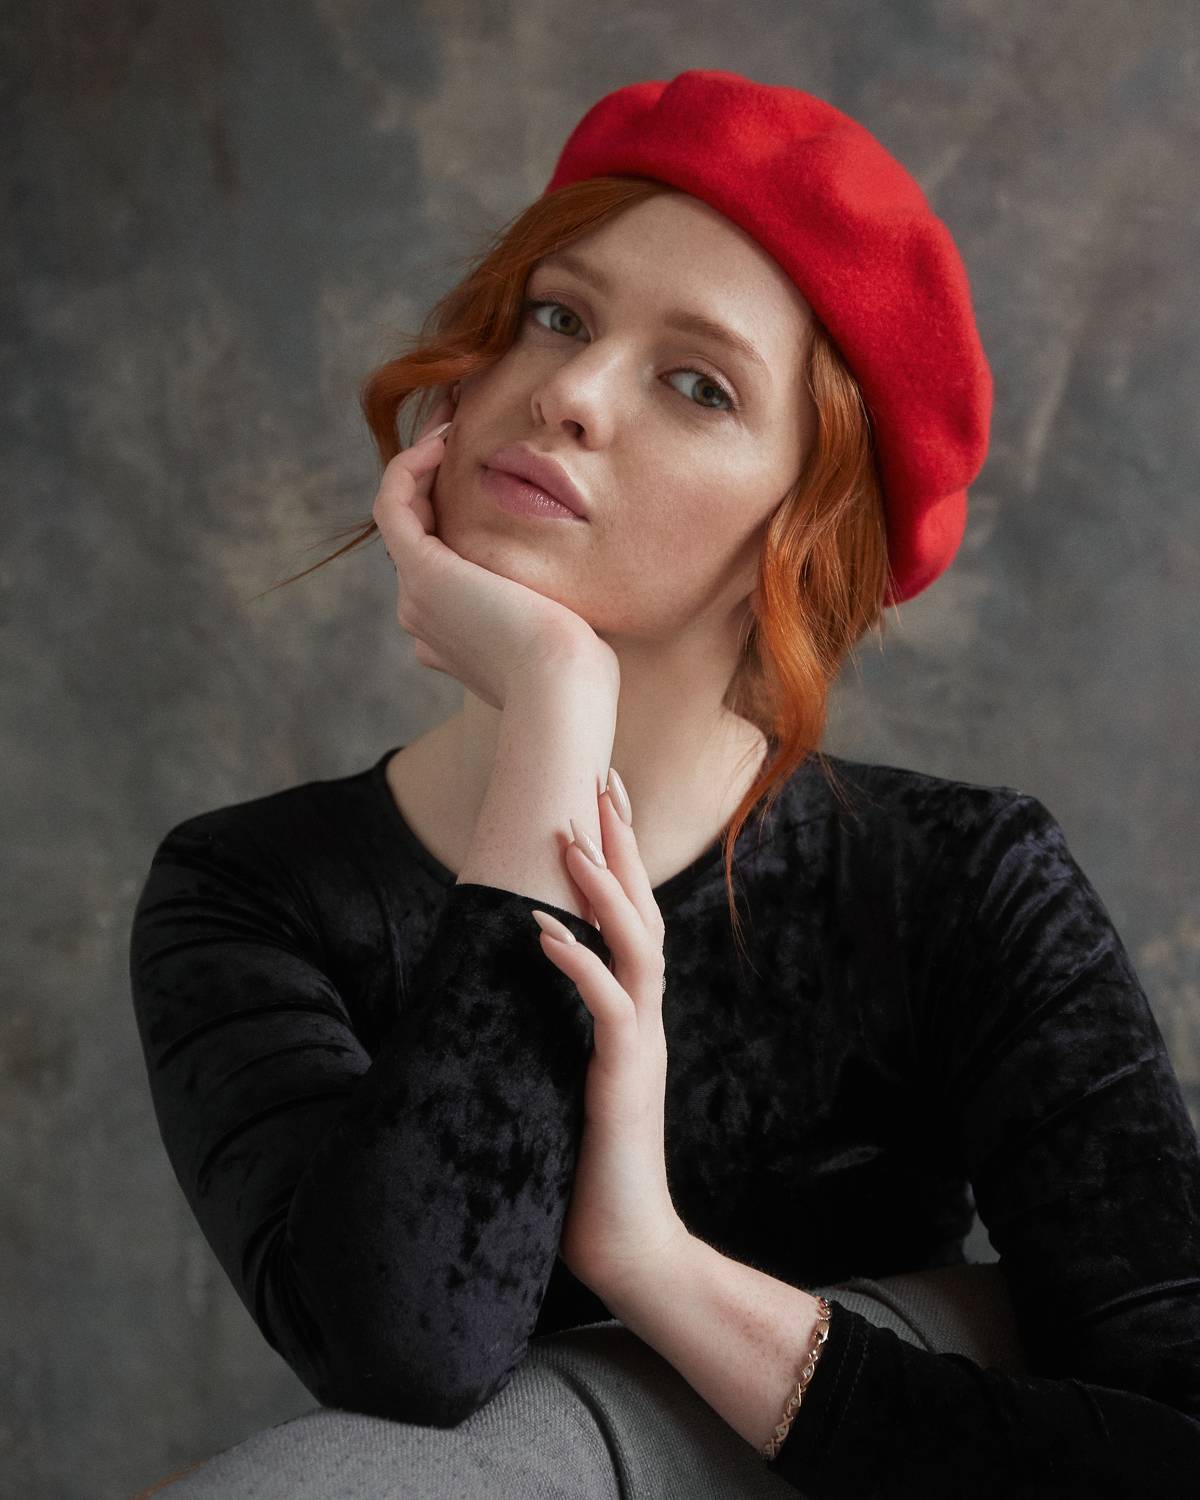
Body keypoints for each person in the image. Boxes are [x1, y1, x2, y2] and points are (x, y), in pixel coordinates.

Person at [128, 70, 1200, 1498]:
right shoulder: (248, 891)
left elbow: (1174, 1446)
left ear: (800, 533)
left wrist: (652, 1263)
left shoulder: (957, 882)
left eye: (699, 386)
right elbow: (410, 1354)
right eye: (556, 316)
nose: (567, 394)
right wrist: (555, 710)